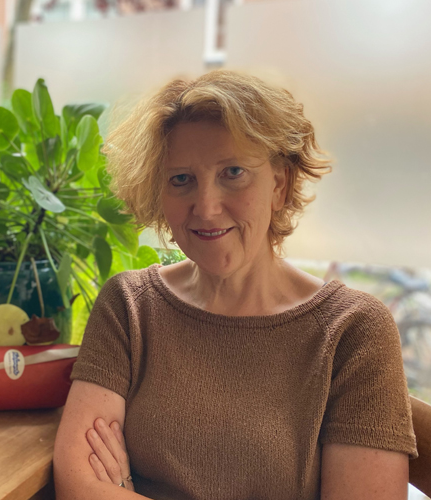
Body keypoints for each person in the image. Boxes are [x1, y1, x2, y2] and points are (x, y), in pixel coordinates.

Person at [52, 70, 418, 499]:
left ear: (279, 185)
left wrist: (122, 488)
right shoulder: (129, 306)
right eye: (181, 179)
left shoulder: (353, 331)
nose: (206, 208)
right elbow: (79, 486)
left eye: (233, 172)